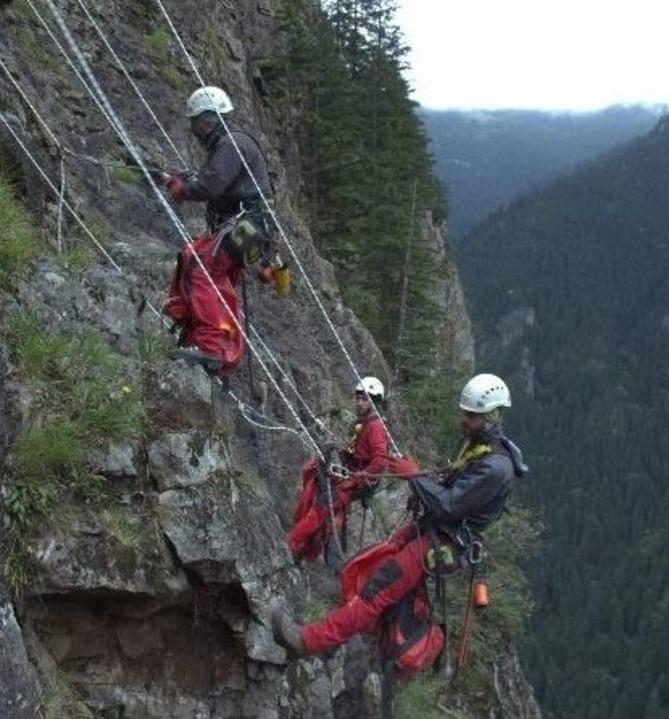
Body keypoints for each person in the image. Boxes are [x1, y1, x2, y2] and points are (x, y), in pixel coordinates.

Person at [272, 374, 527, 658]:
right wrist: (419, 480)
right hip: (432, 531)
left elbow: (449, 506)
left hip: (441, 543)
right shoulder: (482, 449)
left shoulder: (494, 468)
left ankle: (309, 641)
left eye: (470, 415)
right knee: (368, 569)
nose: (463, 419)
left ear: (490, 417)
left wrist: (414, 478)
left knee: (375, 591)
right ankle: (345, 633)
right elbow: (452, 489)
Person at [160, 86, 287, 375]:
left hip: (247, 225)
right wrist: (183, 180)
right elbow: (214, 181)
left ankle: (211, 346)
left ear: (211, 119)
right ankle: (202, 336)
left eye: (199, 123)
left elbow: (210, 185)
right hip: (247, 228)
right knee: (196, 260)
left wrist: (183, 188)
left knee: (203, 269)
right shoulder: (230, 145)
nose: (197, 130)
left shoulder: (232, 145)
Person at [286, 377, 394, 565]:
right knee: (315, 472)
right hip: (354, 472)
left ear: (374, 403)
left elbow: (380, 460)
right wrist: (340, 449)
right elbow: (358, 450)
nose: (359, 403)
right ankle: (309, 547)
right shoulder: (365, 422)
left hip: (359, 479)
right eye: (358, 398)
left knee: (322, 506)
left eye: (365, 399)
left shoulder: (375, 427)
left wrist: (359, 477)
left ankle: (292, 544)